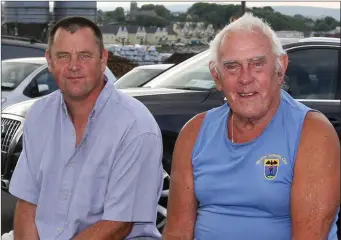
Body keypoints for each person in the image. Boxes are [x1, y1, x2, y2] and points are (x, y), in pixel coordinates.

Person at [163, 13, 340, 240]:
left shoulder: (312, 133)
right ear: (216, 76)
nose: (245, 78)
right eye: (232, 67)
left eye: (257, 64)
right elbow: (177, 232)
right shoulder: (194, 132)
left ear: (280, 68)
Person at [8, 16, 164, 240]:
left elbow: (119, 224)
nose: (73, 66)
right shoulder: (38, 115)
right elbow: (27, 202)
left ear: (103, 60)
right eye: (63, 56)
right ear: (49, 61)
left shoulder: (136, 126)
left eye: (84, 55)